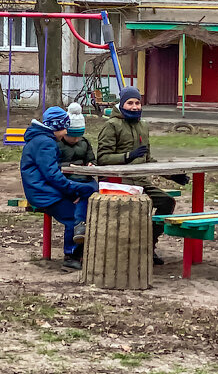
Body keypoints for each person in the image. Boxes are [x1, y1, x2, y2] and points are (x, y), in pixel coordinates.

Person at [96, 86, 189, 265]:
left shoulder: (143, 125)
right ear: (122, 104)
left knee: (167, 202)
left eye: (137, 103)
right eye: (130, 103)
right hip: (118, 183)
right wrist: (127, 156)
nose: (134, 107)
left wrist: (172, 175)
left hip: (141, 180)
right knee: (134, 210)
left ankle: (149, 246)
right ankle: (123, 252)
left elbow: (148, 159)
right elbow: (102, 158)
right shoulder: (111, 125)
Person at [21, 106, 98, 272]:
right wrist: (70, 192)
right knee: (74, 212)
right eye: (64, 128)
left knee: (87, 190)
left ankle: (79, 234)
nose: (65, 132)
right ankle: (71, 255)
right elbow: (52, 175)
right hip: (42, 193)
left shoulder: (40, 139)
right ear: (56, 127)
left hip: (42, 189)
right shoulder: (46, 143)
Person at [56, 102, 97, 250]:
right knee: (82, 196)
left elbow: (91, 158)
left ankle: (80, 227)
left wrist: (91, 164)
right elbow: (54, 164)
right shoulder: (58, 144)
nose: (75, 140)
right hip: (67, 179)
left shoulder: (84, 142)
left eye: (79, 136)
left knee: (92, 188)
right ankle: (79, 225)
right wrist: (66, 167)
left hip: (84, 177)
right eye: (72, 136)